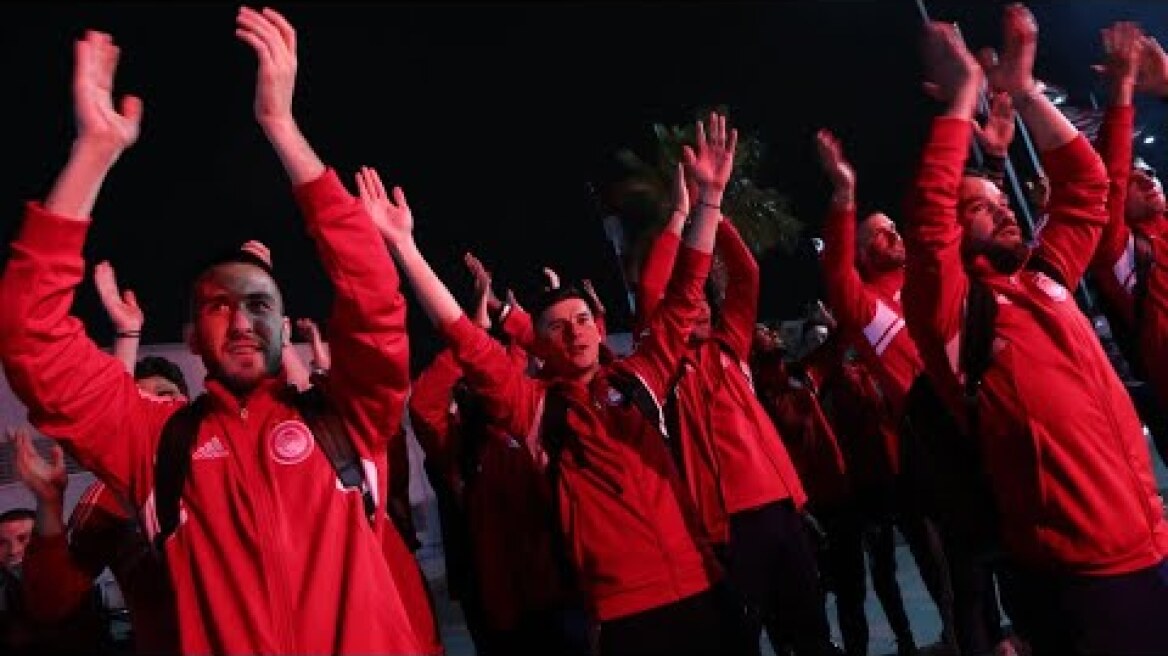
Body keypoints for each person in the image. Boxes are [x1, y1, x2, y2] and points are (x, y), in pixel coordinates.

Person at [0, 9, 438, 654]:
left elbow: (374, 297)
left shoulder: (352, 414)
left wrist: (281, 127)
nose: (241, 319)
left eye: (260, 304)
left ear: (284, 325)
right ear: (191, 335)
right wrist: (93, 152)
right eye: (218, 306)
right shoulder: (153, 442)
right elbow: (31, 335)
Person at [371, 112, 737, 656]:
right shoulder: (536, 407)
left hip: (700, 582)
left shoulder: (640, 375)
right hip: (621, 612)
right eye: (558, 327)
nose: (576, 333)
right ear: (537, 345)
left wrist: (707, 202)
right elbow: (468, 344)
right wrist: (405, 249)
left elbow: (685, 296)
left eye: (584, 320)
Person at [905, 7, 1168, 654]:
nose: (1001, 212)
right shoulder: (954, 318)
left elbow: (1084, 187)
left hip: (1148, 544)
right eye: (981, 210)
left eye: (999, 203)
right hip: (1077, 576)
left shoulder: (1044, 279)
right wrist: (965, 94)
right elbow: (931, 218)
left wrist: (1022, 92)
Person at [1087, 21, 1168, 465]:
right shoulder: (1120, 255)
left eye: (1151, 172)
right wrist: (1121, 94)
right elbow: (1109, 183)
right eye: (1136, 178)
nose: (1148, 178)